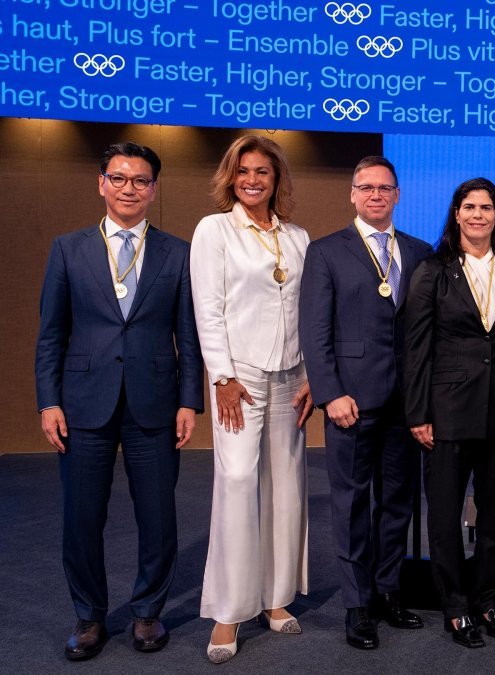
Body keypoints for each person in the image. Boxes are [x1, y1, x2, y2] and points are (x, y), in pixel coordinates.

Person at [35, 142, 204, 660]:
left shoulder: (177, 252)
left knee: (158, 516)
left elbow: (189, 336)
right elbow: (51, 335)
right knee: (82, 517)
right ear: (102, 183)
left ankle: (147, 612)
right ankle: (88, 617)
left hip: (155, 402)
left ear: (153, 189)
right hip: (83, 404)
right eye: (119, 178)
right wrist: (48, 402)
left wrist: (188, 401)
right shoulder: (68, 248)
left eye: (141, 180)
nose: (130, 188)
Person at [299, 156, 433, 650]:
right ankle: (357, 605)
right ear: (352, 194)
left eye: (385, 188)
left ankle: (388, 591)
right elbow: (315, 332)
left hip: (407, 402)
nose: (376, 195)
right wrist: (330, 392)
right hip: (350, 401)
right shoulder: (326, 252)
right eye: (366, 188)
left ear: (397, 195)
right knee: (353, 504)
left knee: (397, 503)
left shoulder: (420, 252)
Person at [191, 135, 314, 663]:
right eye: (243, 171)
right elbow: (208, 309)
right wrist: (221, 377)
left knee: (285, 486)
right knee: (239, 483)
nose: (253, 180)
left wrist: (312, 375)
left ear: (276, 178)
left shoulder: (298, 236)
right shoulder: (214, 230)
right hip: (239, 379)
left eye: (263, 171)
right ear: (230, 176)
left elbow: (310, 313)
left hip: (292, 376)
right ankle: (228, 611)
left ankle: (276, 598)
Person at [403, 178, 495, 648]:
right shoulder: (431, 271)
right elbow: (415, 350)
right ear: (456, 214)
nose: (478, 215)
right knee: (446, 517)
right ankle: (455, 607)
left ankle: (489, 599)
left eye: (487, 207)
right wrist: (418, 413)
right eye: (469, 207)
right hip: (446, 412)